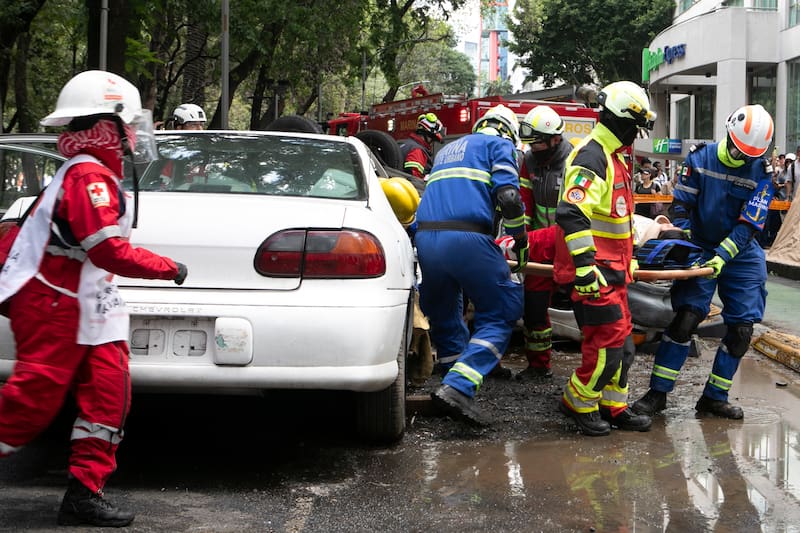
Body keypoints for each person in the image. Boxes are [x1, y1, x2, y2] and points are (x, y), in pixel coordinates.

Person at [0, 70, 188, 527]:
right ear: (106, 126)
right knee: (30, 404)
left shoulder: (93, 173)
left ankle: (84, 493)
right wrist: (168, 267)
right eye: (127, 127)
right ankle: (83, 491)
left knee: (108, 396)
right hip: (53, 303)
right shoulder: (88, 176)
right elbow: (105, 248)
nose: (132, 137)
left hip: (86, 304)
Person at [632, 104, 776, 420]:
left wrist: (722, 256)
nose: (747, 160)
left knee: (741, 329)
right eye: (742, 153)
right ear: (729, 136)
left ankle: (714, 397)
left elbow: (749, 226)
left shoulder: (761, 174)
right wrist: (684, 240)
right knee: (685, 319)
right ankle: (657, 394)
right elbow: (682, 206)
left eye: (753, 155)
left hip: (742, 251)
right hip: (700, 243)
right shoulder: (699, 159)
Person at [553, 80, 656, 437]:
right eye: (634, 126)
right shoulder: (592, 156)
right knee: (607, 346)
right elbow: (571, 213)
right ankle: (578, 401)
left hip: (614, 274)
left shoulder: (615, 158)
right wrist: (585, 266)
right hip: (593, 274)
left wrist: (632, 260)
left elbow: (619, 220)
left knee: (624, 348)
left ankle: (614, 405)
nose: (636, 134)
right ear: (618, 119)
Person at [416, 104, 527, 426]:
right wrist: (520, 238)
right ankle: (459, 387)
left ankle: (450, 378)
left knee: (445, 310)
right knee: (503, 309)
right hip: (466, 238)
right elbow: (508, 197)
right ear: (508, 131)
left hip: (427, 239)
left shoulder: (446, 150)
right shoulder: (499, 145)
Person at [514, 105, 572, 381]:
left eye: (537, 143)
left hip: (573, 245)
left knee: (588, 308)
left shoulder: (574, 160)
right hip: (539, 248)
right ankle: (539, 365)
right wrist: (521, 238)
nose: (533, 148)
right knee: (534, 309)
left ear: (555, 140)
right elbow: (525, 202)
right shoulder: (530, 161)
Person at [399, 112, 444, 180]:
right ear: (427, 135)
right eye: (433, 139)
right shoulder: (417, 151)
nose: (432, 144)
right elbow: (414, 179)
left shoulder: (406, 145)